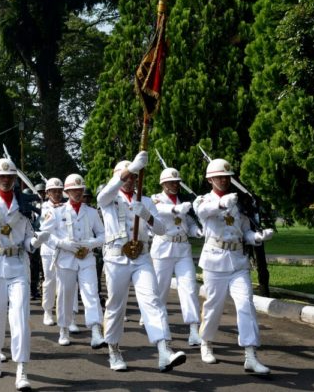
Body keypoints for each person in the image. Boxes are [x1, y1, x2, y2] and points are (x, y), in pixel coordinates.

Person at [97, 151, 187, 372]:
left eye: (133, 177)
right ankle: (114, 349)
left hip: (141, 257)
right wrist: (132, 168)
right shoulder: (109, 198)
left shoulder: (145, 200)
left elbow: (161, 229)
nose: (129, 181)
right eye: (126, 177)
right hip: (116, 258)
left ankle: (164, 349)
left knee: (152, 300)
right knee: (116, 306)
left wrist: (146, 215)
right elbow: (102, 196)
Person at [194, 158, 274, 374]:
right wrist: (221, 203)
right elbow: (202, 213)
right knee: (213, 307)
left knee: (245, 305)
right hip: (214, 260)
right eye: (219, 176)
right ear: (210, 179)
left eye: (227, 177)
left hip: (238, 260)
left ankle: (250, 354)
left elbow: (244, 231)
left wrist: (257, 237)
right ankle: (206, 342)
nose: (224, 180)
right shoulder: (202, 200)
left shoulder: (240, 202)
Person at [0, 158, 41, 391]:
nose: (5, 180)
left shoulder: (23, 202)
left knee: (21, 317)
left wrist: (35, 241)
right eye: (1, 176)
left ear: (14, 179)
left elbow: (27, 238)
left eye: (9, 176)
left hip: (17, 264)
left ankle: (22, 368)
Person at [39, 174, 105, 349]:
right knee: (65, 296)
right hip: (65, 260)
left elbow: (103, 235)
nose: (76, 193)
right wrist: (61, 243)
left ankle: (96, 330)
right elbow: (44, 234)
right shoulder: (57, 211)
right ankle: (64, 328)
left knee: (91, 293)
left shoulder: (91, 212)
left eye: (79, 190)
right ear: (66, 192)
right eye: (73, 190)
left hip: (87, 259)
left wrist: (91, 244)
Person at [150, 168, 203, 346]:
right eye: (172, 182)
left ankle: (194, 329)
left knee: (189, 288)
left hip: (182, 248)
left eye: (177, 182)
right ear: (163, 184)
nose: (175, 185)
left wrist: (197, 230)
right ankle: (159, 324)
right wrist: (177, 208)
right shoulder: (156, 198)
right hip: (163, 247)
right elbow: (159, 210)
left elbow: (187, 222)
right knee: (160, 289)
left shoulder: (182, 201)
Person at [39, 178, 64, 327]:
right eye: (53, 191)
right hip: (48, 250)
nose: (56, 194)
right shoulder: (42, 208)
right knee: (49, 281)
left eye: (59, 191)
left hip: (65, 250)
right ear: (47, 193)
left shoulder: (66, 206)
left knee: (65, 283)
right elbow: (44, 228)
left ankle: (66, 314)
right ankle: (48, 310)